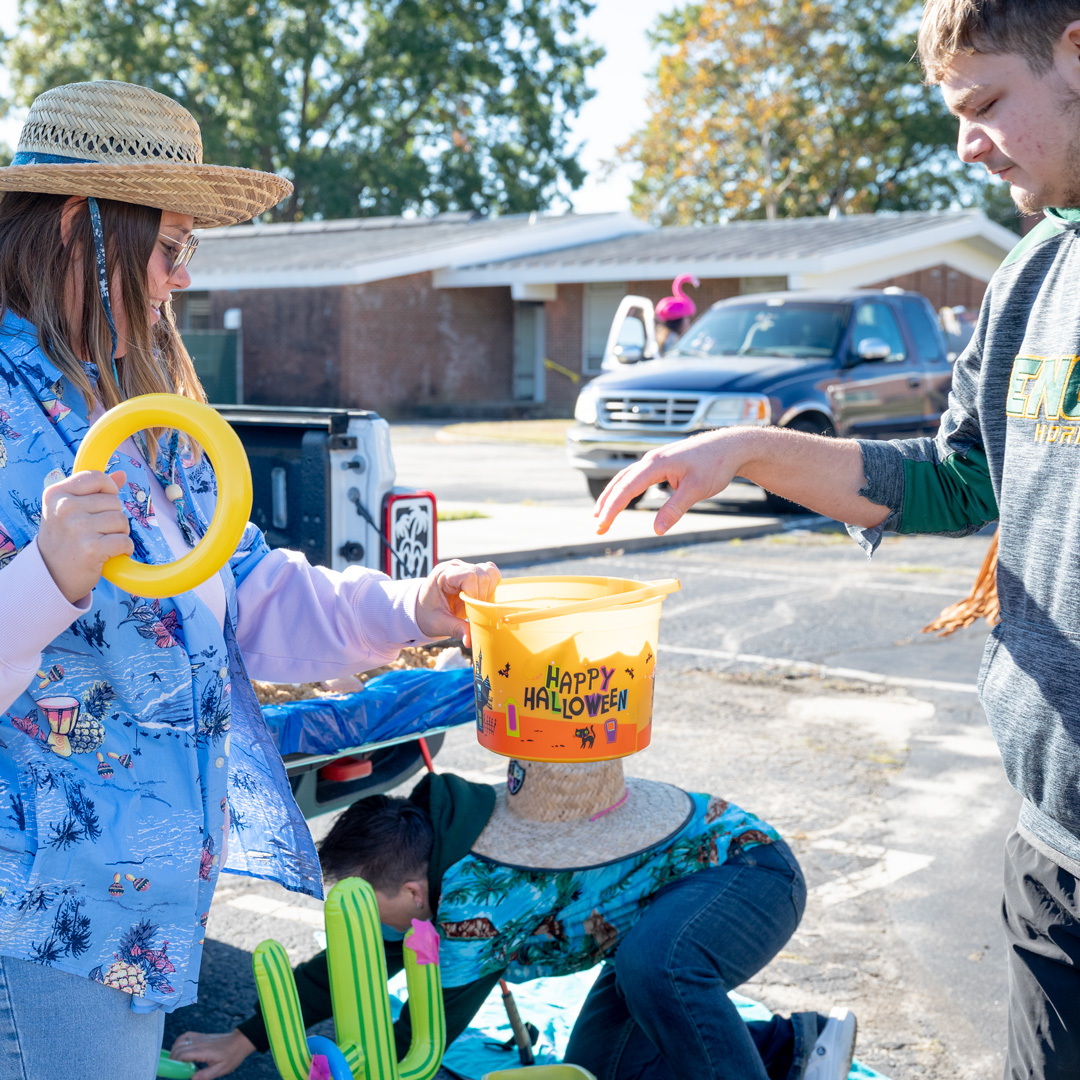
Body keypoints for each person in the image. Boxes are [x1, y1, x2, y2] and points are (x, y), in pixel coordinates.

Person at [593, 3, 1080, 1076]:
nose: (968, 143)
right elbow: (957, 482)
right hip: (1058, 852)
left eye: (987, 102)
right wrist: (748, 452)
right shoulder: (1033, 274)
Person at [0, 79, 498, 1079]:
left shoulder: (141, 413)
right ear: (74, 227)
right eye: (169, 246)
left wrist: (415, 606)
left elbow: (255, 598)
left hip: (132, 908)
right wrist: (46, 577)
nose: (181, 278)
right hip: (36, 914)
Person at [171, 761, 857, 1080]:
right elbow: (346, 967)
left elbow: (427, 1034)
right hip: (663, 910)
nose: (365, 928)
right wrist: (245, 1038)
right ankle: (794, 1046)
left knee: (656, 968)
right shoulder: (429, 851)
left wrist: (364, 1072)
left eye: (367, 911)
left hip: (748, 873)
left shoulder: (474, 900)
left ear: (412, 892)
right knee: (596, 1071)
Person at [654, 273, 699, 354]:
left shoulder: (665, 337)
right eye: (686, 318)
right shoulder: (672, 339)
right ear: (679, 321)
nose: (688, 321)